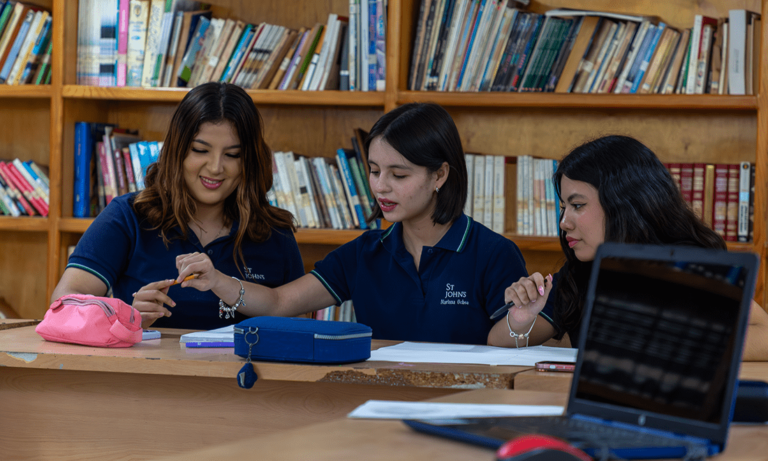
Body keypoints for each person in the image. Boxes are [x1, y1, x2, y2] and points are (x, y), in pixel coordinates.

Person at [166, 102, 528, 344]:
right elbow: (278, 302)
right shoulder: (364, 254)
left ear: (440, 175)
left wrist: (523, 323)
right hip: (379, 414)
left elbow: (512, 346)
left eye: (398, 174)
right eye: (373, 171)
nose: (380, 186)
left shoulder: (494, 254)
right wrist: (217, 281)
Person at [488, 135, 768, 361]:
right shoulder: (579, 272)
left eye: (577, 206)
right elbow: (497, 342)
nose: (564, 223)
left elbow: (764, 335)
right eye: (563, 208)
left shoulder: (685, 262)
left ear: (623, 203)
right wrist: (521, 320)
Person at [51, 82, 305, 330]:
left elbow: (300, 325)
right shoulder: (127, 216)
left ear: (249, 160)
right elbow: (63, 304)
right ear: (177, 150)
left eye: (232, 155)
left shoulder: (275, 232)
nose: (216, 167)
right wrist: (126, 314)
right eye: (200, 150)